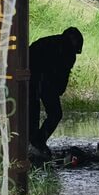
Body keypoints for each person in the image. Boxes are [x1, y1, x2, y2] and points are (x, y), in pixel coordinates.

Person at [28, 26, 83, 156]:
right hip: (43, 81)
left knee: (33, 113)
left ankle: (32, 143)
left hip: (30, 79)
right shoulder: (68, 52)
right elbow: (63, 75)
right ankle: (38, 142)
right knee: (55, 114)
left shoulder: (45, 42)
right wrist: (58, 90)